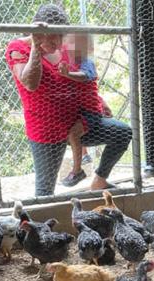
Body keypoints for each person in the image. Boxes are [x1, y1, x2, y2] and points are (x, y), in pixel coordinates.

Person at [5, 4, 131, 196]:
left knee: (122, 133)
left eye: (62, 36)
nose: (60, 43)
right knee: (45, 191)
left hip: (80, 122)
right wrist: (36, 49)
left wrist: (97, 98)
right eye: (55, 37)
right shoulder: (18, 48)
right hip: (47, 130)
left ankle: (99, 181)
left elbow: (80, 77)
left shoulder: (65, 44)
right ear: (38, 33)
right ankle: (41, 225)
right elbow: (30, 83)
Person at [57, 32, 97, 187]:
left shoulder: (87, 63)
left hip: (90, 112)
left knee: (73, 134)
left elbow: (85, 76)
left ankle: (77, 170)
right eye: (72, 43)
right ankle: (83, 157)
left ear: (89, 48)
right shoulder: (68, 62)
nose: (75, 48)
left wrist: (68, 74)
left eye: (80, 45)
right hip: (78, 111)